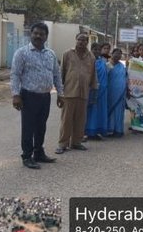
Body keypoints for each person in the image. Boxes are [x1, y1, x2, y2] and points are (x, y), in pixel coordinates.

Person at [10, 22, 63, 169]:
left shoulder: (50, 54)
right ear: (31, 34)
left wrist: (60, 93)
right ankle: (27, 156)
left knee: (41, 127)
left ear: (46, 36)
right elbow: (15, 75)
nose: (38, 36)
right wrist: (15, 95)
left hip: (45, 96)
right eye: (36, 33)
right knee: (28, 127)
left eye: (42, 34)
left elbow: (57, 75)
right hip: (28, 96)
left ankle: (39, 153)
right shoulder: (22, 53)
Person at [55, 32, 97, 154]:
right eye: (80, 39)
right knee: (66, 120)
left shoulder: (91, 57)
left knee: (80, 119)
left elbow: (93, 75)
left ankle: (76, 142)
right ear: (76, 40)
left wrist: (94, 90)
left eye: (85, 40)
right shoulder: (67, 54)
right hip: (69, 92)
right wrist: (60, 92)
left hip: (84, 93)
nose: (82, 42)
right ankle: (62, 143)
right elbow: (61, 72)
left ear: (87, 43)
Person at [85, 45, 110, 140]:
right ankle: (88, 131)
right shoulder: (88, 60)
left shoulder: (102, 61)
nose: (97, 51)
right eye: (95, 49)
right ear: (91, 50)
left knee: (100, 111)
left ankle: (96, 131)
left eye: (99, 49)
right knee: (91, 111)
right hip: (92, 90)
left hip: (103, 91)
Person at [105, 49, 128, 136]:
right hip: (110, 92)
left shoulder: (122, 66)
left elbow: (126, 77)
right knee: (109, 110)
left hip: (121, 93)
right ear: (112, 54)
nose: (118, 56)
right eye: (116, 54)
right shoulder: (107, 65)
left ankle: (118, 130)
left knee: (119, 112)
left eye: (120, 54)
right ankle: (109, 129)